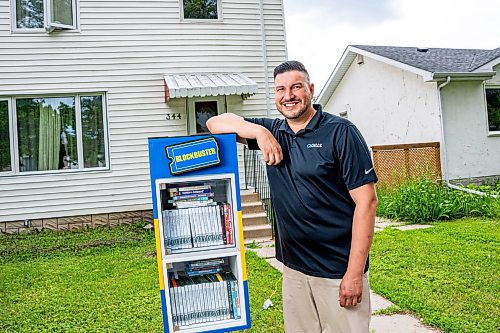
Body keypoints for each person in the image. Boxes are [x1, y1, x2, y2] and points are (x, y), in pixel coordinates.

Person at [207, 61, 378, 333]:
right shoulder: (275, 131)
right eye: (281, 89)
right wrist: (260, 133)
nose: (289, 96)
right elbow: (215, 122)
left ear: (310, 89)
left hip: (337, 271)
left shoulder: (340, 132)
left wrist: (354, 274)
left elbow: (367, 203)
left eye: (296, 87)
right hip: (295, 269)